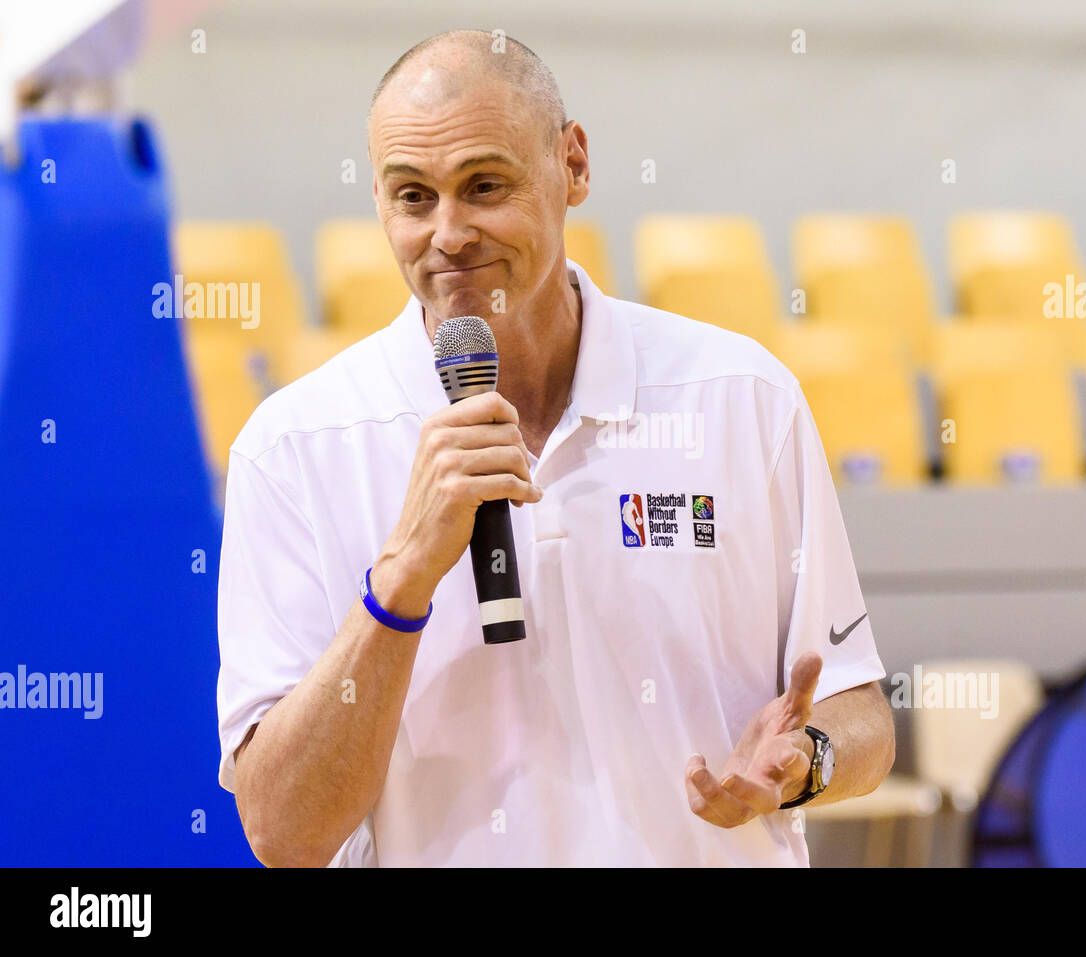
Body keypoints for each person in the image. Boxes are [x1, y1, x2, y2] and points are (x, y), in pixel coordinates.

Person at [216, 28, 894, 867]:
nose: (449, 233)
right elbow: (282, 832)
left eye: (484, 185)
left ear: (572, 164)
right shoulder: (294, 448)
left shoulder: (741, 397)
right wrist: (402, 576)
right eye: (413, 196)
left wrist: (806, 762)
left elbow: (860, 712)